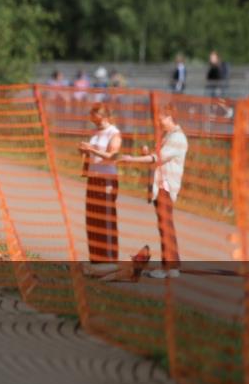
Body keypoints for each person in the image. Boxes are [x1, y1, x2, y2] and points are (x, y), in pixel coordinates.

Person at [118, 103, 188, 278]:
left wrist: (132, 158)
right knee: (164, 226)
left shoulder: (177, 138)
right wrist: (147, 152)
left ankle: (169, 267)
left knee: (165, 226)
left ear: (170, 117)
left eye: (161, 118)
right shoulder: (168, 136)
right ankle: (172, 265)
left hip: (166, 186)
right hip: (160, 184)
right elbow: (158, 157)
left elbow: (158, 158)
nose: (158, 122)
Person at [79, 103, 122, 263]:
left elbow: (112, 156)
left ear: (102, 116)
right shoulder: (95, 131)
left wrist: (92, 149)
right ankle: (96, 260)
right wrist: (84, 151)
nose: (91, 119)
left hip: (106, 180)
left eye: (93, 115)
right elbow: (93, 153)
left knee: (105, 221)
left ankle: (110, 260)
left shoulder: (114, 133)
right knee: (92, 220)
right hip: (93, 178)